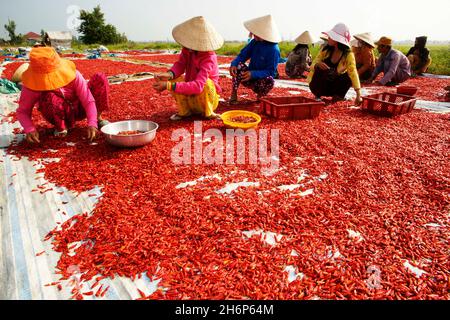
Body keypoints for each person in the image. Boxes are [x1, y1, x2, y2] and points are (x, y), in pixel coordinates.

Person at [16, 47, 110, 144]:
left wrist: (92, 122)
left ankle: (97, 118)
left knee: (100, 78)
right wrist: (29, 129)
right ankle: (61, 126)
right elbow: (23, 111)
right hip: (57, 111)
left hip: (79, 108)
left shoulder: (73, 75)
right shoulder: (32, 84)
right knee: (48, 95)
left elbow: (88, 100)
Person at [153, 16, 224, 121]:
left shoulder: (209, 58)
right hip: (190, 95)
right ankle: (185, 111)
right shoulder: (188, 50)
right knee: (174, 79)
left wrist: (168, 86)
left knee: (207, 83)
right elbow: (181, 64)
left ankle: (208, 113)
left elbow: (198, 86)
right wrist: (169, 75)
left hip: (206, 100)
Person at [229, 15, 281, 103]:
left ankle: (260, 95)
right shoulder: (255, 42)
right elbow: (243, 55)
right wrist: (234, 64)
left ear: (265, 34)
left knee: (270, 80)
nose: (253, 35)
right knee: (238, 65)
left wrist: (253, 74)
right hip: (247, 77)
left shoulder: (274, 50)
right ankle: (234, 92)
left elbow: (270, 71)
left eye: (257, 33)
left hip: (260, 80)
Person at [307, 23, 362, 105]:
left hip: (334, 86)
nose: (328, 38)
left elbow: (353, 72)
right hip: (319, 86)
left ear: (337, 40)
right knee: (319, 68)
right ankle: (318, 95)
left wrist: (358, 94)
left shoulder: (348, 54)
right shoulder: (325, 50)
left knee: (348, 75)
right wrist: (317, 65)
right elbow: (312, 65)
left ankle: (338, 96)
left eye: (331, 36)